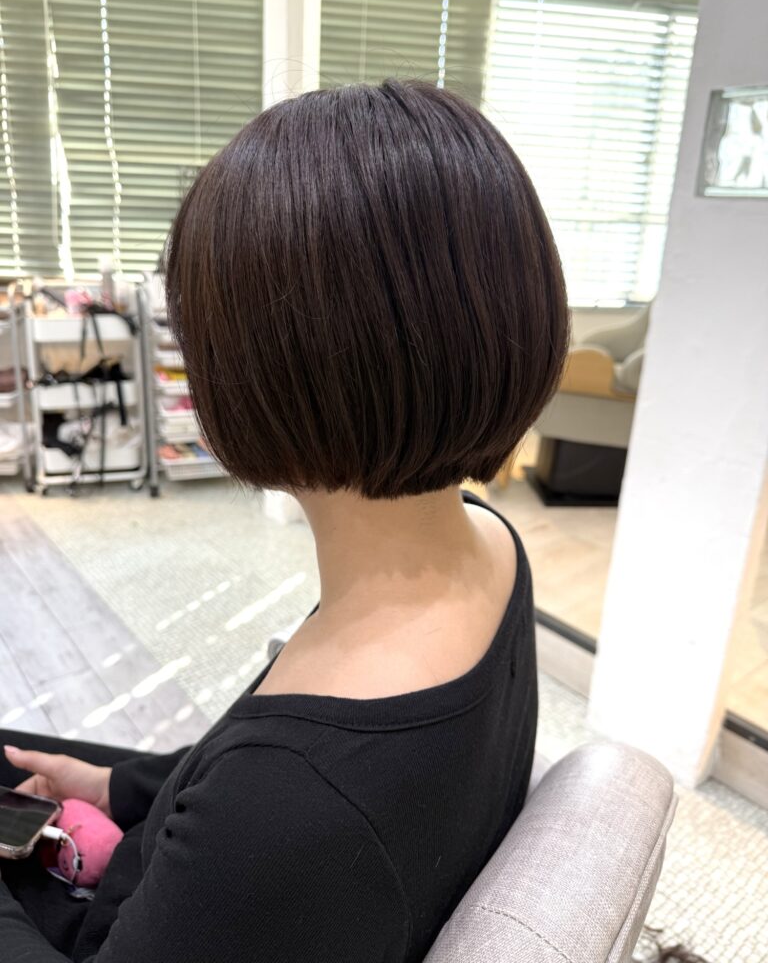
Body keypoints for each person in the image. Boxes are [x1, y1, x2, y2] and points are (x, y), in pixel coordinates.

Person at [0, 79, 569, 962]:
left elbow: (266, 794)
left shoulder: (290, 804)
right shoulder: (487, 542)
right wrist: (114, 786)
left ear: (259, 369)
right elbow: (240, 761)